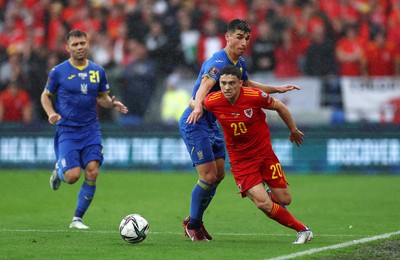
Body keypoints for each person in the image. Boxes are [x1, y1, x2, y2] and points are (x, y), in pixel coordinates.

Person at [179, 19, 300, 241]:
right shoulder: (216, 62)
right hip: (195, 121)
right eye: (239, 37)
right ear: (227, 37)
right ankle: (193, 224)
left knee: (218, 175)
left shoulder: (239, 63)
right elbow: (205, 86)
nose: (243, 42)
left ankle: (195, 220)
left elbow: (248, 85)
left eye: (246, 38)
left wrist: (277, 89)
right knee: (208, 176)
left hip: (213, 123)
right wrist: (197, 107)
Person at [203, 65, 313, 244]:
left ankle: (268, 192)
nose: (227, 87)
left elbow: (280, 107)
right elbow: (196, 105)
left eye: (231, 83)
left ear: (240, 83)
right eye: (223, 83)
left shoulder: (254, 96)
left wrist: (293, 130)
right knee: (262, 203)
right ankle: (303, 230)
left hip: (264, 154)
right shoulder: (212, 101)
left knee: (285, 199)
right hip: (241, 161)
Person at [40, 30, 128, 229]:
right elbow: (45, 96)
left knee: (93, 171)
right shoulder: (58, 72)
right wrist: (50, 113)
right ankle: (59, 171)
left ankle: (77, 219)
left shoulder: (98, 71)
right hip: (68, 130)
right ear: (67, 48)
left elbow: (102, 98)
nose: (79, 47)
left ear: (88, 44)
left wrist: (112, 104)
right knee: (72, 177)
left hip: (90, 129)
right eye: (75, 44)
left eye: (82, 43)